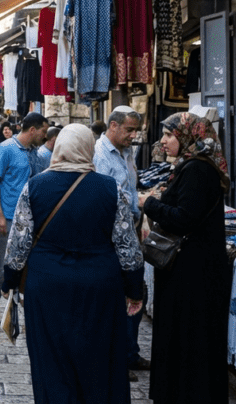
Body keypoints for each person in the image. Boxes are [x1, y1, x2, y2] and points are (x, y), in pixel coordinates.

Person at [1, 124, 144, 404]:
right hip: (99, 286)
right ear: (88, 148)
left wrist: (9, 282)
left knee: (52, 360)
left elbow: (18, 243)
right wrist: (135, 289)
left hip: (47, 285)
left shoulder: (36, 186)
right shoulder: (110, 188)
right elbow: (128, 247)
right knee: (99, 358)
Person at [138, 112, 230, 404]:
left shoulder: (197, 171)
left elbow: (184, 218)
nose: (163, 140)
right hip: (189, 269)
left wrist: (150, 204)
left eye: (169, 135)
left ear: (187, 136)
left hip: (192, 272)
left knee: (189, 337)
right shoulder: (192, 167)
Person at [93, 106, 146, 380]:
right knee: (119, 298)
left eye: (135, 130)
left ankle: (129, 353)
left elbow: (130, 188)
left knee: (135, 294)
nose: (133, 135)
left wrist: (141, 216)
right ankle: (116, 359)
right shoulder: (101, 155)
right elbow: (107, 197)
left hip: (131, 230)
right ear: (113, 126)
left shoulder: (127, 152)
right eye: (129, 130)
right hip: (113, 236)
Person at [0, 111, 48, 325]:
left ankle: (18, 305)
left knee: (24, 265)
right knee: (2, 265)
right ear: (32, 130)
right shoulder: (6, 149)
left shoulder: (34, 153)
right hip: (7, 217)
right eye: (43, 132)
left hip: (28, 219)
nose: (45, 136)